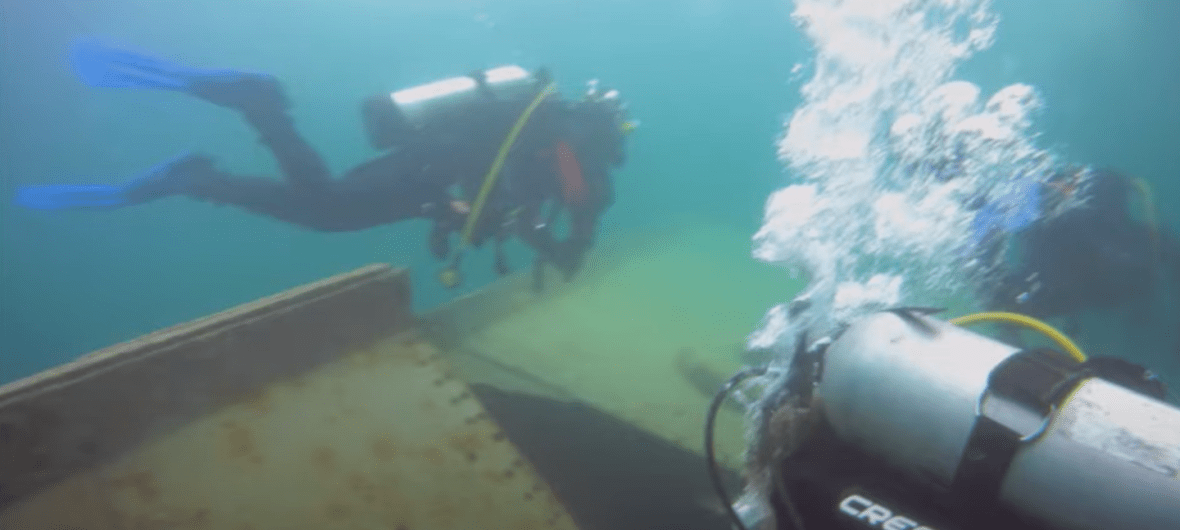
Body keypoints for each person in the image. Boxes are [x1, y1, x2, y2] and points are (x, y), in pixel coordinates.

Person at [14, 40, 634, 288]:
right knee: (329, 209)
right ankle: (258, 110)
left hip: (429, 168)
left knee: (326, 211)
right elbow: (564, 224)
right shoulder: (574, 158)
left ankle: (200, 175)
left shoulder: (550, 136)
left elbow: (497, 190)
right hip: (429, 168)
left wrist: (460, 210)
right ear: (606, 138)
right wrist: (567, 248)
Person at [975, 166, 1180, 324]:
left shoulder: (1049, 232)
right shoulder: (1049, 232)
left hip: (1102, 280)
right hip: (1107, 282)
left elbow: (1009, 302)